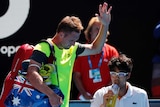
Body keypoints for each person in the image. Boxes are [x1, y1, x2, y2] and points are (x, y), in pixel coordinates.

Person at [24, 2, 112, 107]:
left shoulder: (72, 48)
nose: (74, 43)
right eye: (71, 40)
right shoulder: (44, 47)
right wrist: (51, 95)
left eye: (75, 40)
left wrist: (105, 25)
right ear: (61, 34)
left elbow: (96, 48)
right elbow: (32, 74)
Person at [72, 16, 119, 100]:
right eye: (97, 29)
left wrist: (105, 93)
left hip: (107, 96)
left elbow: (116, 75)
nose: (99, 32)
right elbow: (76, 76)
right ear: (90, 32)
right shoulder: (82, 50)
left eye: (102, 29)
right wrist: (85, 94)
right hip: (86, 97)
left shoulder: (112, 51)